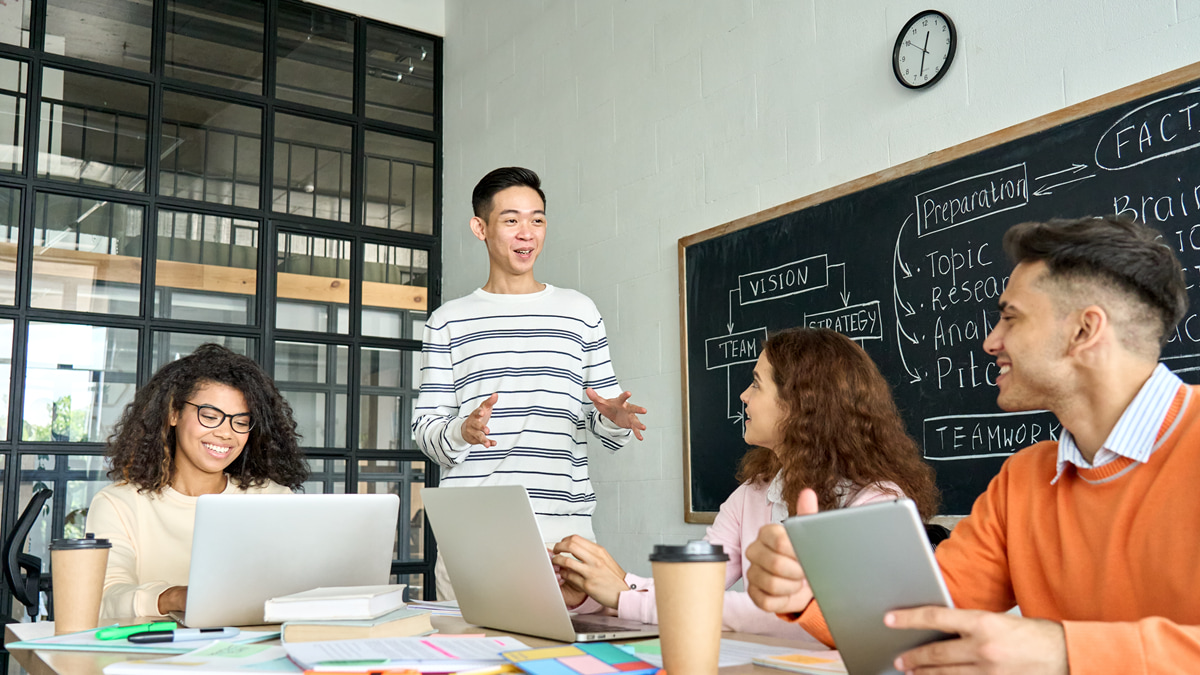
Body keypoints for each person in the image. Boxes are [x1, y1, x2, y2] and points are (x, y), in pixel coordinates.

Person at [745, 215, 1200, 673]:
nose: (990, 341)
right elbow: (918, 621)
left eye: (1010, 317)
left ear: (1084, 331)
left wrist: (1065, 651)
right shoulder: (1023, 480)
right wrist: (806, 592)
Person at [552, 327, 939, 638]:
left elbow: (788, 613)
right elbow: (695, 590)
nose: (742, 396)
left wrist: (623, 595)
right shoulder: (751, 495)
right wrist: (593, 593)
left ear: (800, 404)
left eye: (756, 384)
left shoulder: (878, 503)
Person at [412, 167, 647, 600]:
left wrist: (612, 418)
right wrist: (461, 430)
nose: (527, 233)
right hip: (476, 528)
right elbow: (425, 432)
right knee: (474, 664)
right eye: (512, 220)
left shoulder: (579, 311)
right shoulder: (448, 321)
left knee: (564, 665)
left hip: (565, 530)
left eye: (537, 220)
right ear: (480, 227)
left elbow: (609, 433)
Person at [86, 344, 309, 619]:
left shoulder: (274, 499)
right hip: (149, 656)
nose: (226, 433)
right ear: (173, 413)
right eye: (210, 416)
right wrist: (177, 597)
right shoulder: (119, 503)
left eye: (240, 422)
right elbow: (105, 597)